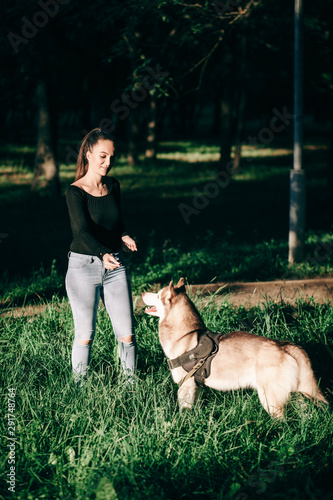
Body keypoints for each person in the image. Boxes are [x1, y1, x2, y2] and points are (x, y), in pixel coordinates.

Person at [65, 128, 137, 387]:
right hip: (84, 266)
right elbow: (81, 231)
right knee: (85, 334)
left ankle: (130, 387)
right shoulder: (75, 192)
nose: (108, 162)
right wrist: (102, 252)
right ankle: (79, 388)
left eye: (112, 157)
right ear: (88, 154)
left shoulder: (113, 186)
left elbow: (115, 222)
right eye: (102, 156)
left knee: (127, 334)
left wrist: (125, 234)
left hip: (115, 265)